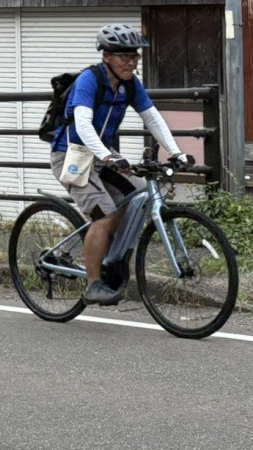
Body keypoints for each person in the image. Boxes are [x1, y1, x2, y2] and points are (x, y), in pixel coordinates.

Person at [50, 23, 189, 306]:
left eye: (134, 56)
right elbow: (83, 125)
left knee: (139, 194)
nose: (131, 62)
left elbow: (151, 117)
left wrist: (176, 151)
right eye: (124, 56)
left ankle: (109, 253)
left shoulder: (130, 84)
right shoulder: (90, 80)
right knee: (103, 215)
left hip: (103, 155)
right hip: (73, 155)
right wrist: (109, 156)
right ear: (106, 56)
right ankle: (93, 283)